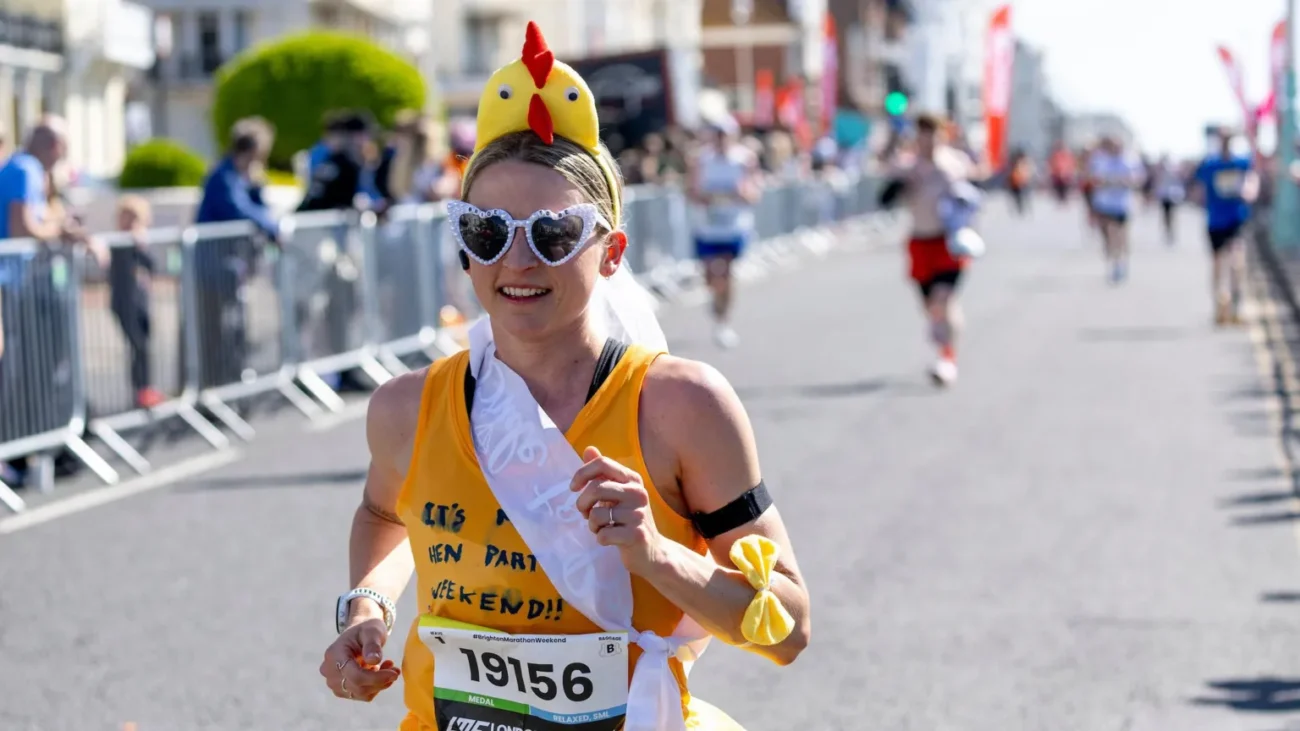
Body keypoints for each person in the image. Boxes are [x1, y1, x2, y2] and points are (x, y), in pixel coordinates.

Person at [318, 22, 810, 731]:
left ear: (611, 253)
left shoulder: (680, 406)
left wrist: (657, 556)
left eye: (551, 235)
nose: (516, 261)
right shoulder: (406, 408)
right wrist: (368, 606)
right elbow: (386, 513)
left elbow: (789, 629)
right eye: (487, 231)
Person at [881, 113, 979, 386]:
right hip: (920, 241)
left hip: (947, 242)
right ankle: (941, 336)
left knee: (943, 301)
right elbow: (886, 175)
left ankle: (947, 360)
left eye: (932, 134)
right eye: (922, 134)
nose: (927, 140)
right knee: (930, 307)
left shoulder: (953, 164)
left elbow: (973, 188)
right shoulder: (908, 166)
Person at [688, 120, 762, 349]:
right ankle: (715, 298)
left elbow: (755, 193)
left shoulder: (745, 159)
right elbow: (690, 192)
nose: (721, 139)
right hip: (708, 227)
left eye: (725, 135)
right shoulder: (701, 159)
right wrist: (707, 197)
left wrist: (742, 193)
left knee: (726, 272)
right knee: (711, 274)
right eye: (718, 135)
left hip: (734, 227)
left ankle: (723, 322)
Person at [1190, 127, 1258, 325]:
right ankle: (1220, 304)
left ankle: (1237, 305)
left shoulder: (1241, 162)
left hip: (1236, 218)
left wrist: (1249, 191)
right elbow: (1198, 186)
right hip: (1215, 220)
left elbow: (1252, 179)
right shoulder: (1210, 164)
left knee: (1237, 261)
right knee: (1218, 263)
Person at [109, 195, 165, 409]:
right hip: (124, 302)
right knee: (137, 345)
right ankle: (140, 390)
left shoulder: (140, 242)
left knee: (144, 344)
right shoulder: (120, 243)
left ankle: (145, 388)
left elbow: (152, 265)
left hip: (140, 301)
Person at [1085, 135, 1143, 283]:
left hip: (1123, 205)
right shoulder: (1100, 160)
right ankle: (1114, 260)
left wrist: (1124, 181)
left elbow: (1138, 179)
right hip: (1104, 204)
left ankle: (1120, 262)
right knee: (1108, 235)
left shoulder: (1130, 160)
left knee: (1120, 235)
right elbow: (1092, 178)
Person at [1152, 155, 1185, 245]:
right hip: (1164, 195)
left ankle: (1171, 232)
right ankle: (1167, 231)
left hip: (1172, 195)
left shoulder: (1172, 170)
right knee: (1165, 216)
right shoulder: (1161, 171)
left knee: (1171, 215)